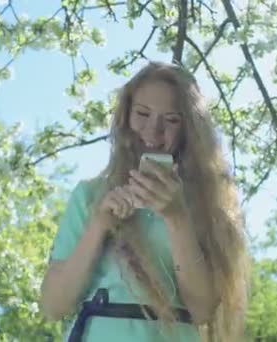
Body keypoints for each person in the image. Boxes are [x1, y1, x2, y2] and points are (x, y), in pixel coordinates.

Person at [39, 61, 249, 342]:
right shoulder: (89, 195)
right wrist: (99, 225)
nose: (153, 131)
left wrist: (176, 218)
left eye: (171, 120)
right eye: (142, 114)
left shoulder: (208, 202)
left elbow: (202, 310)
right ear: (125, 117)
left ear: (189, 130)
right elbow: (53, 306)